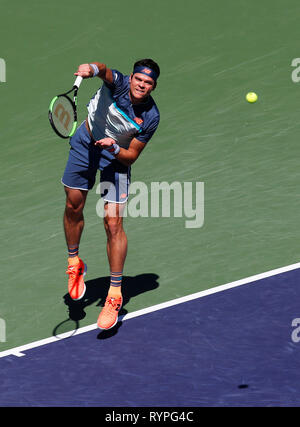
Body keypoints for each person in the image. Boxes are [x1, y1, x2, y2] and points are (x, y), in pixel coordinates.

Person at [62, 58, 160, 330]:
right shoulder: (117, 84)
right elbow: (103, 69)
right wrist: (90, 70)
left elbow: (131, 157)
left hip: (115, 159)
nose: (142, 85)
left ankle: (114, 294)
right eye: (139, 79)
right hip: (86, 143)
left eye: (148, 82)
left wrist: (114, 147)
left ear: (153, 87)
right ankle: (74, 262)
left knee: (113, 222)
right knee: (73, 206)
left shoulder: (151, 117)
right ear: (131, 78)